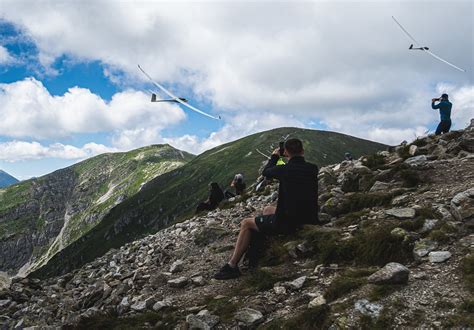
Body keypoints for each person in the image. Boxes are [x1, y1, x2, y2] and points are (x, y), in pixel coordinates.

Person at [214, 138, 319, 280]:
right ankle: (255, 254)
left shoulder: (285, 170)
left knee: (246, 223)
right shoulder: (312, 168)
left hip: (288, 222)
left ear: (286, 152)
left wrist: (275, 156)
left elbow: (266, 172)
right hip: (310, 217)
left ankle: (232, 266)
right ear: (303, 151)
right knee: (268, 209)